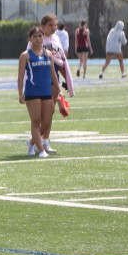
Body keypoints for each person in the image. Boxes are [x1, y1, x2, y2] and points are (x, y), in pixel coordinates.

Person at [28, 14, 73, 154]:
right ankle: (36, 141)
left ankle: (44, 141)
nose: (53, 28)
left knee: (50, 112)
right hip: (39, 79)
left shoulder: (56, 38)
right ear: (43, 26)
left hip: (53, 77)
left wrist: (67, 81)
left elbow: (61, 60)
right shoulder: (36, 39)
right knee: (39, 115)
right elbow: (28, 61)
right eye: (50, 25)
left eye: (55, 25)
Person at [18, 26, 60, 157]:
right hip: (32, 92)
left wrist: (58, 90)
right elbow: (20, 76)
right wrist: (20, 93)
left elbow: (53, 74)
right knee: (36, 121)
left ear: (43, 38)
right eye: (35, 36)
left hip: (47, 91)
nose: (37, 39)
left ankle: (32, 142)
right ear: (30, 39)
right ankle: (41, 150)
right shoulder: (25, 55)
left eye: (40, 36)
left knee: (46, 123)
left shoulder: (48, 54)